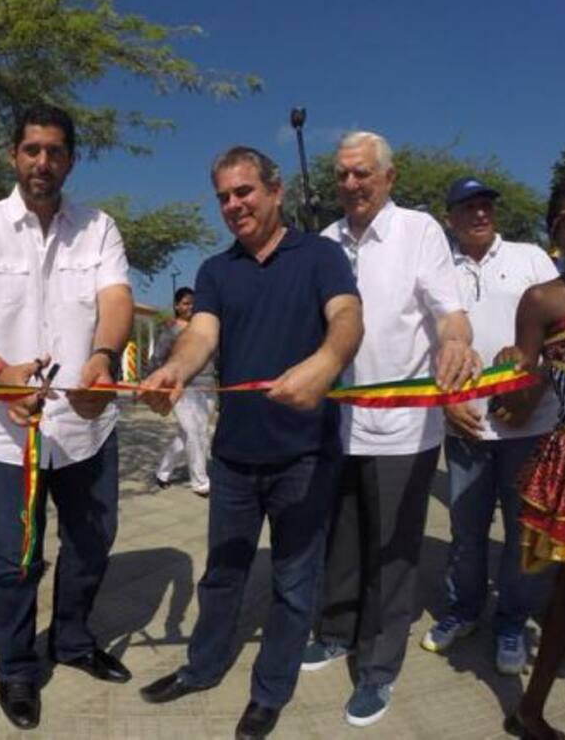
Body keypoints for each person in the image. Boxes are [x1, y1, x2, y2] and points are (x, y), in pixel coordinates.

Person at [137, 147, 363, 740]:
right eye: (223, 197)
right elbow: (201, 335)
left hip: (305, 455)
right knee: (223, 574)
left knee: (293, 584)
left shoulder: (321, 255)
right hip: (235, 456)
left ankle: (270, 691)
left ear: (275, 190)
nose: (234, 205)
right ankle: (203, 667)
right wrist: (175, 372)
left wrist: (327, 361)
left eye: (244, 192)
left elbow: (347, 317)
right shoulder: (216, 271)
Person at [0, 104, 135, 731]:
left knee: (93, 544)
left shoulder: (99, 228)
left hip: (86, 427)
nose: (43, 162)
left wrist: (103, 358)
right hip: (3, 431)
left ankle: (70, 640)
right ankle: (16, 667)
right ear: (14, 155)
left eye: (55, 151)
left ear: (72, 159)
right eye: (32, 150)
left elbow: (115, 298)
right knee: (14, 557)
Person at [302, 131, 481, 728]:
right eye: (343, 176)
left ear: (389, 176)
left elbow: (448, 310)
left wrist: (457, 342)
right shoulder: (325, 242)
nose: (351, 184)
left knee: (393, 554)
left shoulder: (419, 231)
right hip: (337, 425)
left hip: (403, 429)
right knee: (342, 540)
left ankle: (378, 668)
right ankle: (334, 632)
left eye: (362, 174)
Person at [420, 178, 558, 674]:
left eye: (485, 205)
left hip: (531, 427)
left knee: (524, 533)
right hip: (466, 430)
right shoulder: (437, 270)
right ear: (450, 216)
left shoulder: (531, 258)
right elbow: (425, 347)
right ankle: (463, 612)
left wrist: (532, 393)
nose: (479, 214)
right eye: (467, 207)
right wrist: (443, 402)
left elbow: (559, 333)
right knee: (466, 533)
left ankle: (512, 623)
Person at [504, 171, 565, 740]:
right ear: (556, 234)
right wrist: (507, 376)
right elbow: (520, 394)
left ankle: (529, 711)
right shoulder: (542, 300)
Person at [150, 286, 216, 495]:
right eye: (186, 303)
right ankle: (199, 481)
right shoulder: (170, 330)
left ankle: (163, 471)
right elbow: (158, 359)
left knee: (193, 434)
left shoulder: (205, 328)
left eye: (193, 303)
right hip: (182, 389)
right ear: (177, 306)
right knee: (193, 432)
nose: (191, 307)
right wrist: (153, 385)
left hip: (208, 387)